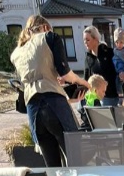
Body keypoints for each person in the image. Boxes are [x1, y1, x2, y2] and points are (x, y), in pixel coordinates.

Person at [10, 15, 90, 167]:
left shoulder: (16, 54)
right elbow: (65, 73)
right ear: (45, 27)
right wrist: (82, 82)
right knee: (76, 159)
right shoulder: (50, 38)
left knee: (52, 167)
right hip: (54, 106)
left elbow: (37, 85)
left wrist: (69, 98)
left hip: (33, 111)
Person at [83, 25, 120, 107]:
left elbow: (117, 71)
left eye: (88, 40)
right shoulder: (88, 58)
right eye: (84, 40)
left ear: (96, 39)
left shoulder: (109, 53)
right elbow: (86, 79)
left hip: (112, 95)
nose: (85, 42)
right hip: (96, 97)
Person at [112, 28, 124, 105]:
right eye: (116, 42)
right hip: (117, 70)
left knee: (118, 82)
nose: (118, 45)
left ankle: (121, 98)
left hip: (122, 70)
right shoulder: (114, 51)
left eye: (121, 42)